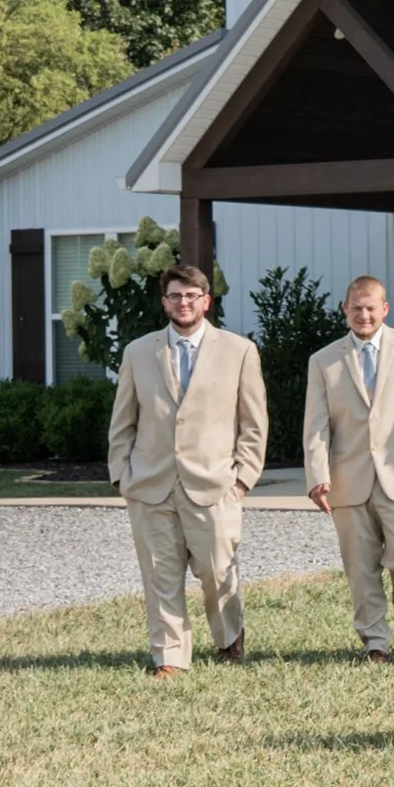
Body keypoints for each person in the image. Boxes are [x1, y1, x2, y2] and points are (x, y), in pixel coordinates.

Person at [107, 264, 267, 676]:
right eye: (175, 296)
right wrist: (122, 475)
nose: (183, 303)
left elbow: (253, 423)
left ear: (206, 301)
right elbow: (123, 421)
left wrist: (243, 478)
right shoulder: (139, 352)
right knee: (161, 576)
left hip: (215, 484)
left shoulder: (239, 351)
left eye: (191, 295)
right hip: (150, 484)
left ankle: (229, 637)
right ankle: (170, 657)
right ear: (164, 303)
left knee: (216, 570)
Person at [301, 276, 394, 661]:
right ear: (345, 309)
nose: (363, 315)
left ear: (385, 309)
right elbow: (316, 426)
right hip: (348, 479)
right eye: (356, 308)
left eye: (371, 308)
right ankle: (375, 641)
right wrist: (317, 476)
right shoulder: (324, 360)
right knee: (360, 567)